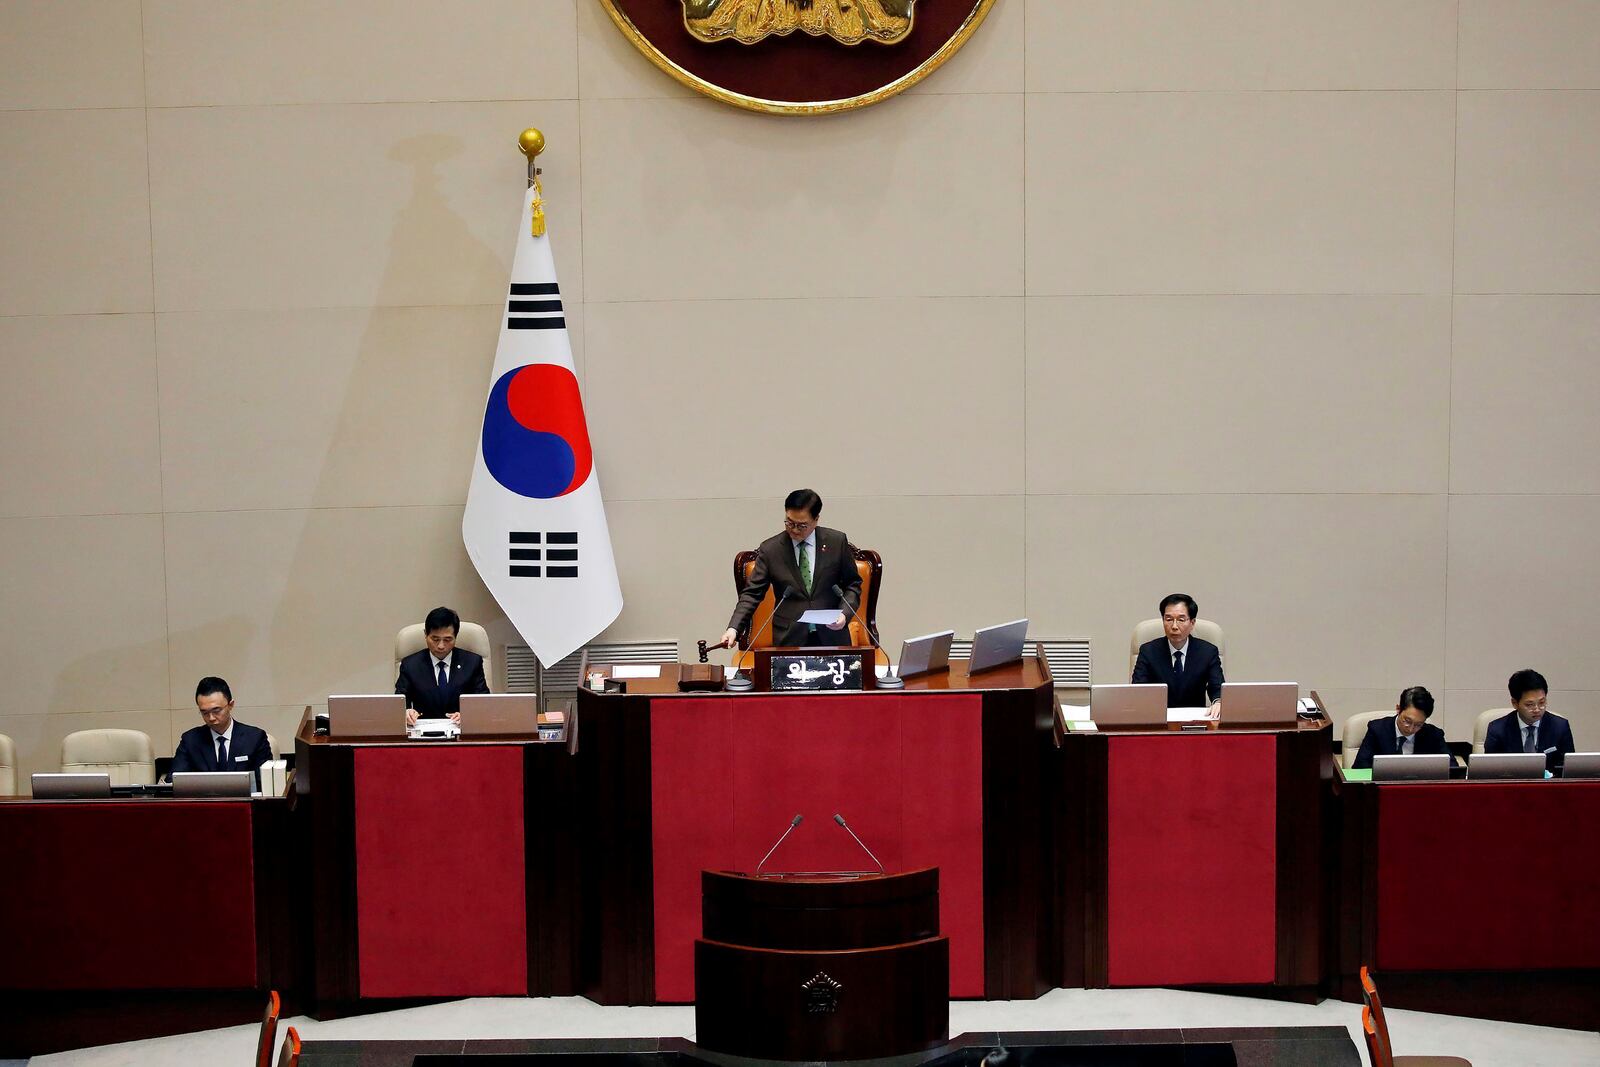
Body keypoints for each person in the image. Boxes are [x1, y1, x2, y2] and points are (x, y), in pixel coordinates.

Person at [718, 489, 863, 650]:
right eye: (789, 522)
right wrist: (733, 629)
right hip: (789, 639)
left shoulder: (836, 542)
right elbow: (752, 594)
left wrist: (843, 614)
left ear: (816, 520)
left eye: (801, 525)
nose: (794, 530)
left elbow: (852, 584)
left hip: (833, 636)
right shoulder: (771, 549)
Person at [172, 676, 274, 787]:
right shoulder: (190, 741)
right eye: (204, 713)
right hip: (204, 802)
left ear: (231, 705)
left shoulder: (255, 738)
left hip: (244, 802)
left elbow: (266, 784)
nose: (211, 718)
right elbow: (174, 782)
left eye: (216, 710)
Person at [396, 606, 489, 724]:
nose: (441, 646)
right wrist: (407, 712)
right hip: (424, 732)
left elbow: (483, 702)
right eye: (435, 639)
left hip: (460, 730)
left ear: (456, 636)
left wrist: (469, 714)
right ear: (426, 635)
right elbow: (399, 702)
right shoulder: (410, 665)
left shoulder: (472, 662)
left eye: (447, 639)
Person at [1130, 593, 1224, 709]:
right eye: (1168, 619)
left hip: (1194, 720)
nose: (1174, 626)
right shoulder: (1148, 651)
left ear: (1192, 622)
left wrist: (1218, 702)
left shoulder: (1208, 652)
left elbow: (1217, 688)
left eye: (1181, 620)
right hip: (1159, 718)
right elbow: (1138, 690)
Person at [1483, 669, 1575, 768]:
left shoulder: (1560, 727)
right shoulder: (1497, 730)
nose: (1537, 709)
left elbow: (1569, 768)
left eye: (1542, 702)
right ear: (1515, 703)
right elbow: (1491, 771)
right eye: (1529, 705)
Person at [1351, 686, 1449, 770]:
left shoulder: (1434, 735)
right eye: (1407, 721)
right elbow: (1359, 768)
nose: (1411, 729)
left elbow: (1452, 769)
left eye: (1418, 724)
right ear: (1398, 709)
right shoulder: (1377, 730)